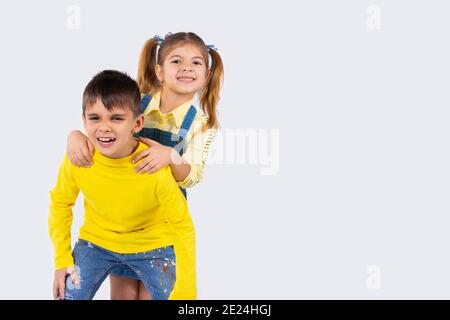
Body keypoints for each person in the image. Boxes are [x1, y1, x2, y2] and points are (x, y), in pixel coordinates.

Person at [66, 32, 224, 299]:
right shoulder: (137, 101)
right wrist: (74, 136)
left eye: (196, 63)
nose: (186, 68)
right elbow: (100, 125)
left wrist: (170, 156)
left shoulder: (202, 124)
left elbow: (194, 176)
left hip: (160, 224)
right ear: (159, 71)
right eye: (177, 61)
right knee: (123, 293)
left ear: (207, 75)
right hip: (121, 215)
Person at [49, 70, 195, 300]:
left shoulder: (152, 165)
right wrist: (62, 261)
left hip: (154, 245)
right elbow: (60, 203)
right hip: (96, 243)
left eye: (116, 118)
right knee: (66, 295)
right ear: (84, 121)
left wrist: (187, 288)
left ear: (137, 124)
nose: (104, 127)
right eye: (95, 118)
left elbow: (182, 225)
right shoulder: (78, 157)